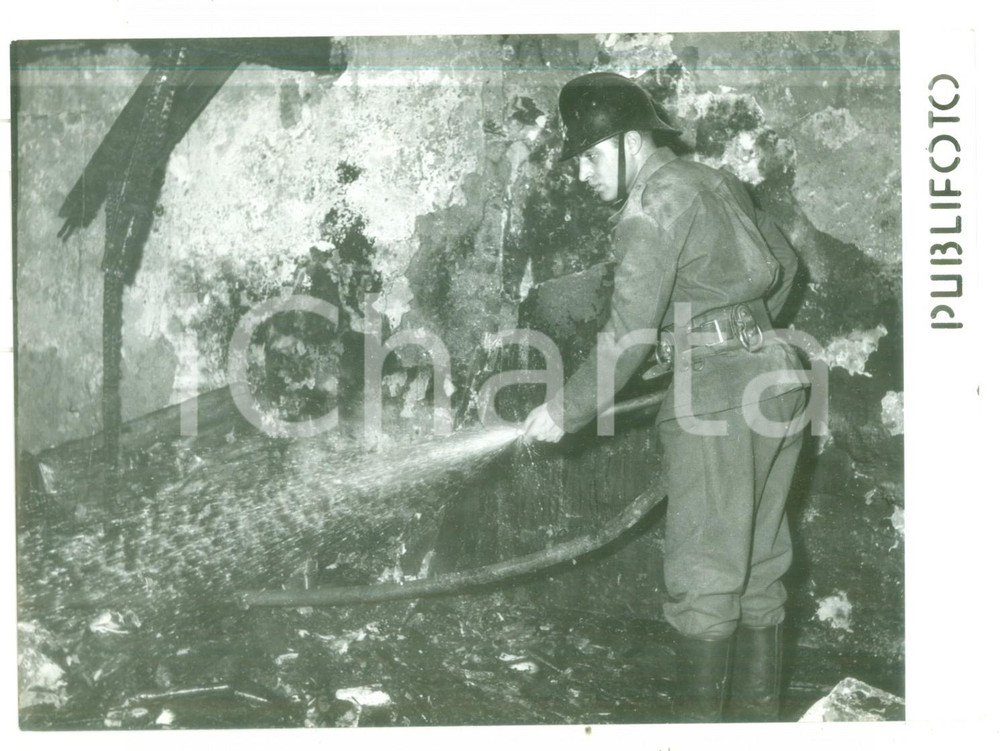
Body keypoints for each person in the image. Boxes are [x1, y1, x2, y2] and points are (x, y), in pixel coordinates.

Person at [521, 72, 809, 723]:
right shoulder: (716, 182)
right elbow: (787, 264)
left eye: (591, 155)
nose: (585, 174)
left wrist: (562, 410)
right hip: (780, 378)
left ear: (631, 141)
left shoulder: (650, 206)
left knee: (704, 580)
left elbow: (625, 335)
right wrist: (741, 329)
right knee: (760, 569)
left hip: (714, 401)